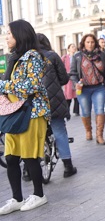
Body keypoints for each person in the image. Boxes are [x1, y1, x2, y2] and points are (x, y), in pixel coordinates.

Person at [0, 19, 50, 214]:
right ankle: (17, 198)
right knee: (11, 157)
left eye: (9, 34)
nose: (6, 37)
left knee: (29, 156)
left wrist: (3, 86)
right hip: (14, 111)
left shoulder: (34, 57)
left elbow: (33, 86)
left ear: (20, 36)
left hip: (32, 111)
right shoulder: (13, 57)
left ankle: (39, 194)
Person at [37, 33, 77, 177]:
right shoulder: (52, 56)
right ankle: (68, 167)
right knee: (59, 131)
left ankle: (27, 171)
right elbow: (64, 78)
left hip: (34, 102)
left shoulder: (27, 58)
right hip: (53, 101)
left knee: (35, 134)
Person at [70, 33, 105, 145]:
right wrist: (76, 83)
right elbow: (72, 73)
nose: (90, 44)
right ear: (83, 43)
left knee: (100, 110)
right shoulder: (78, 56)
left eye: (92, 42)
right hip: (83, 89)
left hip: (98, 87)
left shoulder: (101, 55)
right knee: (85, 111)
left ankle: (99, 135)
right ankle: (88, 130)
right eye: (88, 42)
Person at [61, 43, 80, 116]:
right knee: (68, 96)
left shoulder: (77, 56)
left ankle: (76, 111)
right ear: (68, 49)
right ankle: (66, 111)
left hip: (75, 78)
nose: (74, 48)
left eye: (74, 46)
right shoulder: (65, 57)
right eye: (72, 47)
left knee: (77, 95)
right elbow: (60, 66)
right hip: (68, 79)